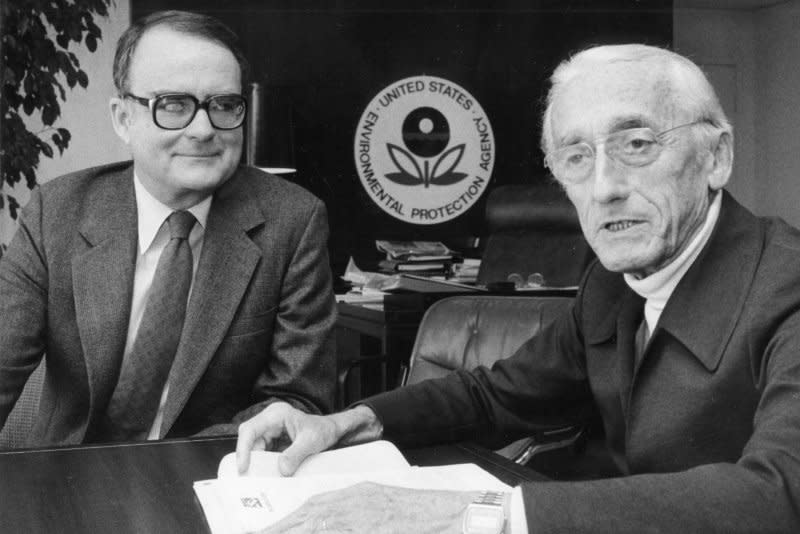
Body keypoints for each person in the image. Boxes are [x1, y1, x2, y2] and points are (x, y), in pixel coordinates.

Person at [236, 44, 800, 533]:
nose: (604, 188)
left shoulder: (787, 285)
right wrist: (346, 422)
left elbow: (779, 497)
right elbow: (500, 394)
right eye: (577, 157)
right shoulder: (613, 281)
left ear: (716, 157)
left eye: (637, 144)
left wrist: (474, 516)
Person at [0, 10, 337, 444]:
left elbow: (298, 403)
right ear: (123, 118)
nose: (203, 129)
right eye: (173, 105)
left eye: (223, 105)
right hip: (68, 478)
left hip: (209, 477)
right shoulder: (57, 211)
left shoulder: (293, 221)